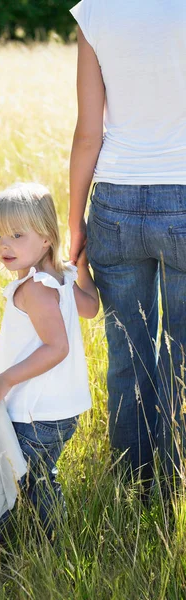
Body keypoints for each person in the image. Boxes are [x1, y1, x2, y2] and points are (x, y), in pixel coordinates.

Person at [69, 0, 186, 487]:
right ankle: (174, 482)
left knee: (127, 358)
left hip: (114, 207)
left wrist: (75, 224)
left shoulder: (95, 12)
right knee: (181, 358)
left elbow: (88, 133)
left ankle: (133, 483)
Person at [0, 182, 99, 544]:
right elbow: (90, 307)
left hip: (33, 411)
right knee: (38, 475)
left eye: (16, 234)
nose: (3, 245)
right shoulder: (61, 277)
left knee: (3, 477)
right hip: (60, 408)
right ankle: (51, 540)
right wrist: (81, 269)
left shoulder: (35, 289)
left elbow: (56, 347)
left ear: (46, 237)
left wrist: (4, 380)